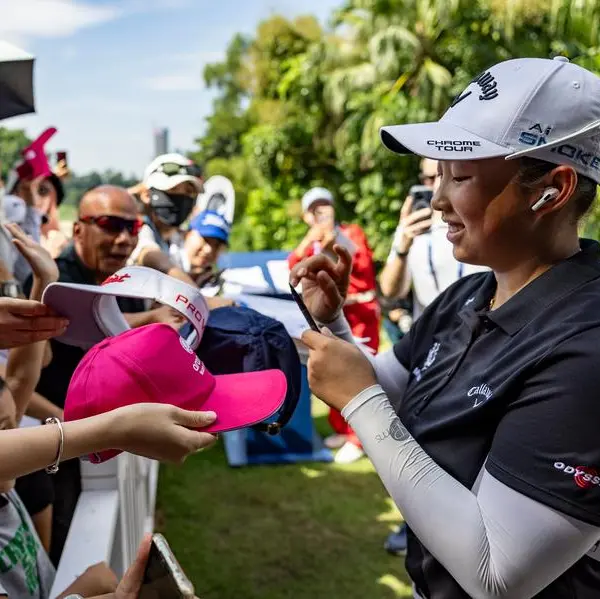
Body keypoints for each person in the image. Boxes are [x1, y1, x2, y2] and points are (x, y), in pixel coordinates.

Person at [292, 56, 600, 598]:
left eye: (459, 177)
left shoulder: (587, 346)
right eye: (437, 176)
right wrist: (333, 322)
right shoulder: (472, 291)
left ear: (551, 190)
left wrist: (359, 401)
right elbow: (391, 387)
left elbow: (497, 574)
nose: (436, 202)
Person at [21, 185, 185, 566]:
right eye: (110, 225)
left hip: (98, 440)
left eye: (133, 227)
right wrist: (151, 319)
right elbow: (82, 316)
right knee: (70, 552)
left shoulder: (122, 279)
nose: (123, 238)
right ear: (78, 231)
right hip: (55, 445)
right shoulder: (57, 280)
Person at [379, 160, 487, 556]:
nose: (435, 191)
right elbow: (389, 290)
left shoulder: (478, 230)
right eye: (428, 178)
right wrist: (400, 242)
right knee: (417, 441)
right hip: (427, 347)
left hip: (478, 350)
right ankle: (411, 526)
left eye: (452, 175)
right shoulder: (418, 232)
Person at [289, 187, 380, 464]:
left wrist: (331, 240)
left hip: (360, 313)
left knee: (361, 371)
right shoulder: (311, 241)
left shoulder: (350, 232)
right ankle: (343, 429)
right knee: (333, 372)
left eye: (324, 207)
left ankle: (360, 438)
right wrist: (310, 241)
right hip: (331, 315)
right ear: (306, 216)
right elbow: (292, 267)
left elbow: (357, 260)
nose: (320, 214)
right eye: (314, 210)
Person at [129, 153, 203, 277]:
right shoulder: (138, 230)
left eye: (189, 192)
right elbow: (151, 256)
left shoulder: (173, 238)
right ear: (147, 194)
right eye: (172, 189)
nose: (181, 199)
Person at [183, 210, 229, 286]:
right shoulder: (162, 262)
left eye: (217, 246)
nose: (209, 250)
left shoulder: (218, 286)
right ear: (187, 234)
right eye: (206, 240)